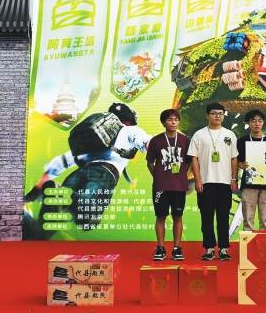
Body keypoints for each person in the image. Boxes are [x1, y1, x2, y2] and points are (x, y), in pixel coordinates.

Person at [31, 102, 151, 233]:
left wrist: (35, 191)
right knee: (88, 215)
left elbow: (63, 161)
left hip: (78, 174)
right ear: (128, 121)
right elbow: (146, 142)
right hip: (104, 174)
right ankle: (67, 198)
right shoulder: (130, 130)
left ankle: (43, 224)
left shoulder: (93, 137)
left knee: (58, 213)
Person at [189, 102, 238, 261]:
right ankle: (209, 248)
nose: (217, 116)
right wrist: (198, 180)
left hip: (225, 183)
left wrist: (234, 179)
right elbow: (194, 158)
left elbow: (234, 158)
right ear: (207, 115)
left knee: (223, 217)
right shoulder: (199, 135)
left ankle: (224, 248)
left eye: (220, 113)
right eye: (214, 113)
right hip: (205, 183)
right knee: (207, 217)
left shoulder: (230, 135)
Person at [146, 108, 191, 261]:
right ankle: (160, 248)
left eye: (176, 120)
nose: (173, 123)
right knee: (161, 216)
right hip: (161, 186)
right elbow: (150, 162)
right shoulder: (156, 140)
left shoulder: (185, 140)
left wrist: (180, 175)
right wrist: (158, 175)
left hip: (179, 185)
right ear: (163, 122)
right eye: (170, 120)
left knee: (178, 216)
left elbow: (187, 163)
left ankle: (177, 248)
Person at [237, 109, 266, 231]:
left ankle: (264, 241)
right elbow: (237, 161)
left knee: (265, 217)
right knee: (248, 216)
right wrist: (242, 165)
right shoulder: (242, 141)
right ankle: (248, 241)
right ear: (248, 123)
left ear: (263, 122)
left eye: (260, 121)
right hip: (248, 183)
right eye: (253, 121)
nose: (257, 124)